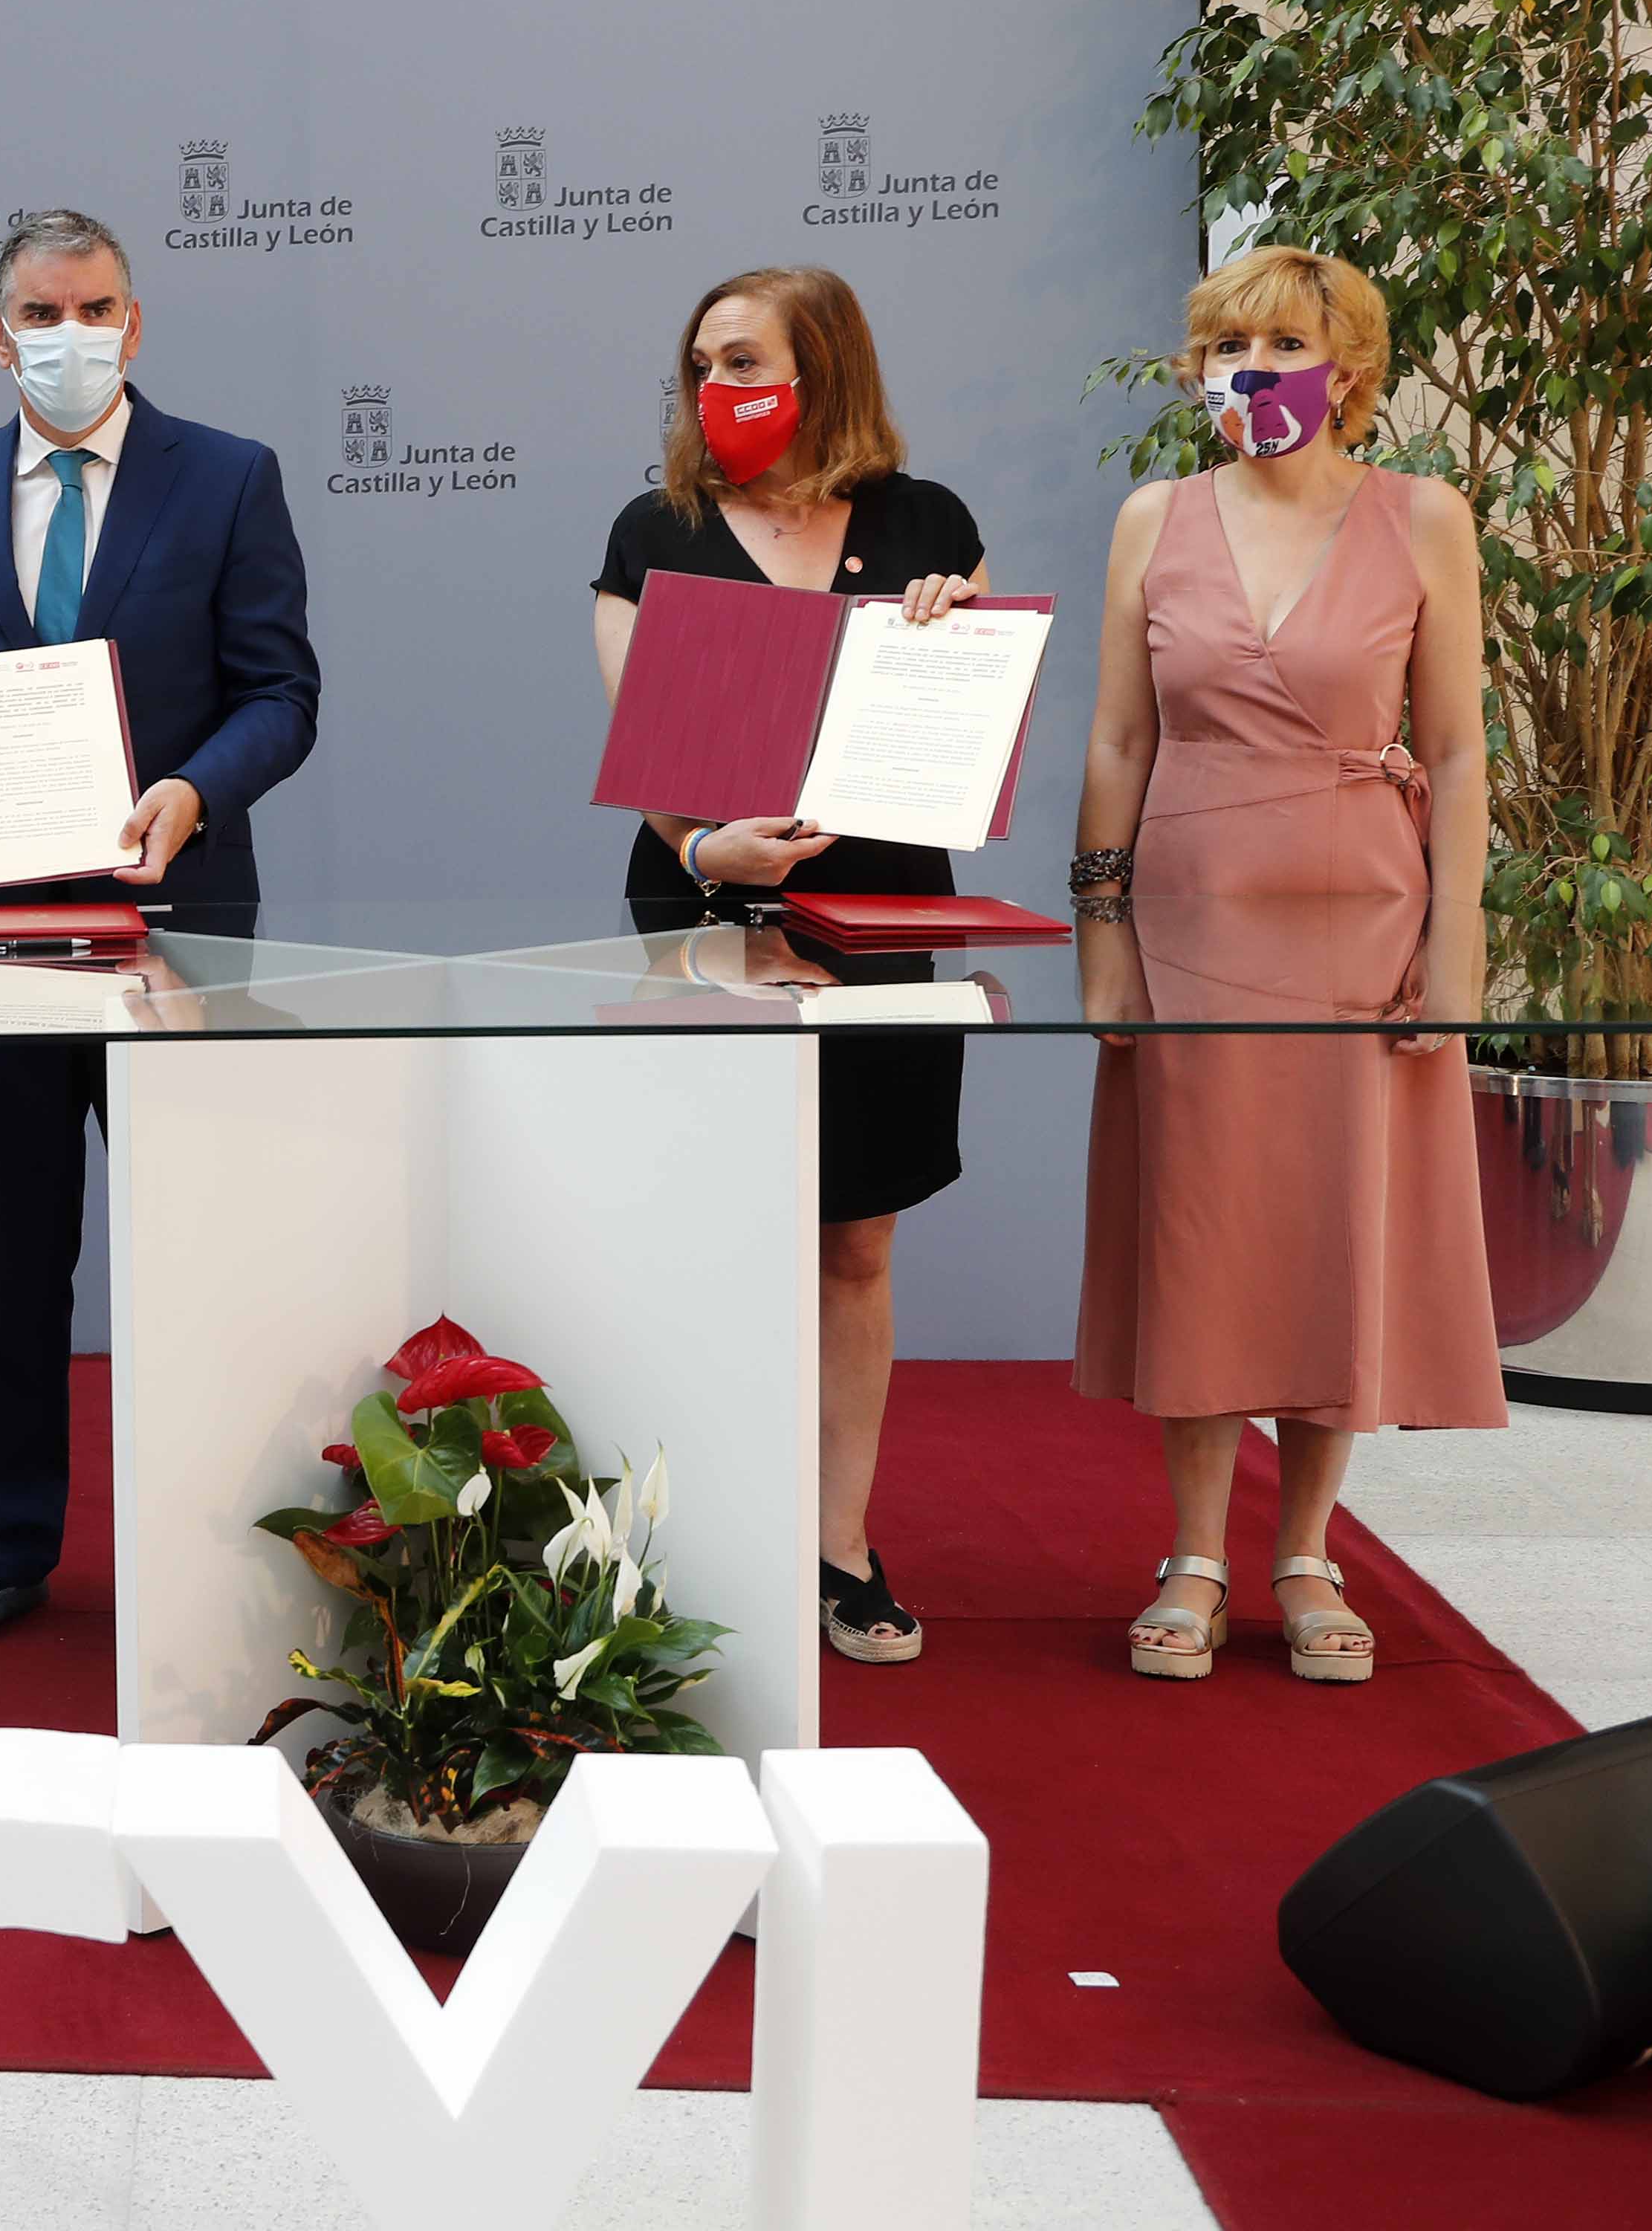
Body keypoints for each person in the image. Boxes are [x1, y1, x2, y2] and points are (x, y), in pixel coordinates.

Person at [0, 209, 320, 1652]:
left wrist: (195, 788)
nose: (75, 337)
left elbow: (282, 694)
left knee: (197, 1249)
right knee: (13, 1254)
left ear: (136, 320)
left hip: (177, 923)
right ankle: (6, 1547)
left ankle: (217, 1558)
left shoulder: (230, 477)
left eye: (101, 309)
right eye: (45, 315)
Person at [1071, 246, 1497, 1685]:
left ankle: (1306, 1551)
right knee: (1202, 1237)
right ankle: (1193, 1556)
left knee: (1332, 1232)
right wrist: (1101, 942)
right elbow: (1120, 740)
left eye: (1278, 339)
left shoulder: (1426, 519)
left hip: (1364, 926)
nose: (1245, 364)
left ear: (1350, 371)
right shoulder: (1156, 518)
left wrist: (1458, 952)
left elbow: (1454, 750)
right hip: (1190, 924)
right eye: (1224, 339)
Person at [588, 265, 985, 1671]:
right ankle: (680, 1538)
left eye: (743, 355)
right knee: (699, 1227)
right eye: (700, 360)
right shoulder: (656, 529)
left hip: (879, 922)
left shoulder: (926, 525)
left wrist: (957, 638)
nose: (716, 386)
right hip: (704, 919)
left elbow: (949, 750)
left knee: (854, 1234)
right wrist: (711, 854)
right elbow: (649, 764)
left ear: (821, 367)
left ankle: (838, 1539)